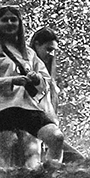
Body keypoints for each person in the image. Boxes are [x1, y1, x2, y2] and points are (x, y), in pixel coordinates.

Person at [0, 5, 66, 170]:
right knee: (6, 156)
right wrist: (12, 81)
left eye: (13, 20)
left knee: (56, 137)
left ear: (20, 24)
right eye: (5, 20)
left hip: (28, 107)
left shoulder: (29, 53)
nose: (9, 23)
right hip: (2, 108)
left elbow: (45, 83)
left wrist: (36, 79)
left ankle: (52, 176)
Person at [29, 27, 69, 162]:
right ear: (36, 44)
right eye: (48, 49)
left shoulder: (48, 74)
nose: (51, 54)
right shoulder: (28, 69)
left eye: (54, 51)